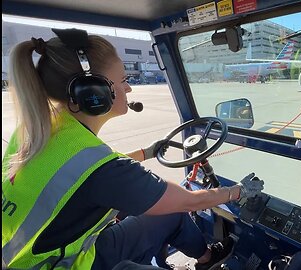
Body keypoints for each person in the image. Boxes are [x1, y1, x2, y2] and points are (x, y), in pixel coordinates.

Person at [1, 28, 264, 270]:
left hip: (44, 256)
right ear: (94, 92)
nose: (128, 87)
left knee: (171, 216)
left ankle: (208, 258)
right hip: (65, 264)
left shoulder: (35, 131)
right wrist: (235, 192)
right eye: (123, 80)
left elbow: (76, 176)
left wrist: (147, 153)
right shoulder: (99, 168)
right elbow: (188, 200)